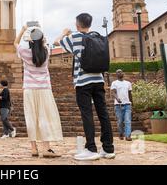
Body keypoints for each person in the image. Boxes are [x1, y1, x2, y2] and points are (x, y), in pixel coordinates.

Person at [55, 13, 115, 161]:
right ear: (89, 23)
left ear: (77, 24)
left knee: (87, 114)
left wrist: (64, 33)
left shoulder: (75, 37)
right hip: (99, 79)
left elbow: (57, 42)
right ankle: (108, 149)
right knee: (103, 114)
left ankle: (91, 148)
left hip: (83, 81)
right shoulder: (98, 37)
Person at [15, 25, 62, 158]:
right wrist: (39, 38)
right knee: (44, 118)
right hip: (44, 89)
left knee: (31, 118)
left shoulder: (25, 52)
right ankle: (46, 148)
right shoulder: (46, 51)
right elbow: (44, 42)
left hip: (29, 89)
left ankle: (34, 148)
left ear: (30, 41)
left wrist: (24, 30)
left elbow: (15, 43)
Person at [111, 69, 133, 141]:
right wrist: (117, 98)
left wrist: (132, 103)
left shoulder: (128, 83)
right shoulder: (114, 83)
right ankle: (121, 133)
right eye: (118, 72)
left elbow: (130, 94)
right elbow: (113, 92)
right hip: (118, 105)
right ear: (116, 75)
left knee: (127, 121)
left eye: (121, 72)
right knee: (120, 121)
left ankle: (128, 136)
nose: (120, 73)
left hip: (127, 105)